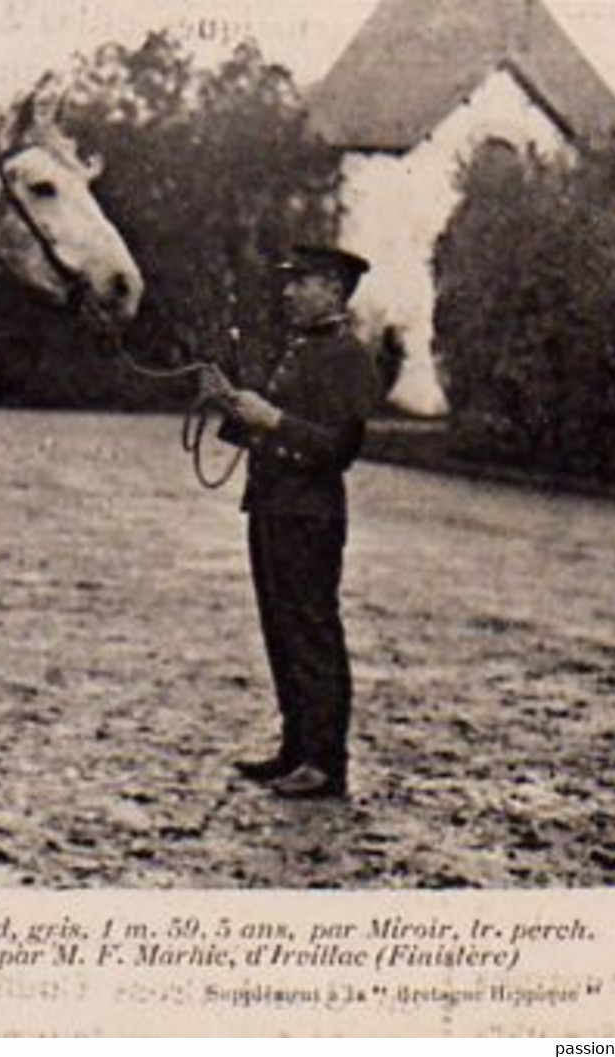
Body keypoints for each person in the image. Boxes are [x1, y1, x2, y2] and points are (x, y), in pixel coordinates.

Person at [204, 244, 380, 800]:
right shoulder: (303, 349)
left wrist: (272, 418)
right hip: (274, 507)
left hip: (309, 515)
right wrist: (230, 405)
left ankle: (325, 763)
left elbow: (339, 448)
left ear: (332, 288)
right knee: (281, 630)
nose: (287, 292)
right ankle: (297, 748)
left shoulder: (348, 356)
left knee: (311, 632)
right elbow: (267, 429)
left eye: (299, 282)